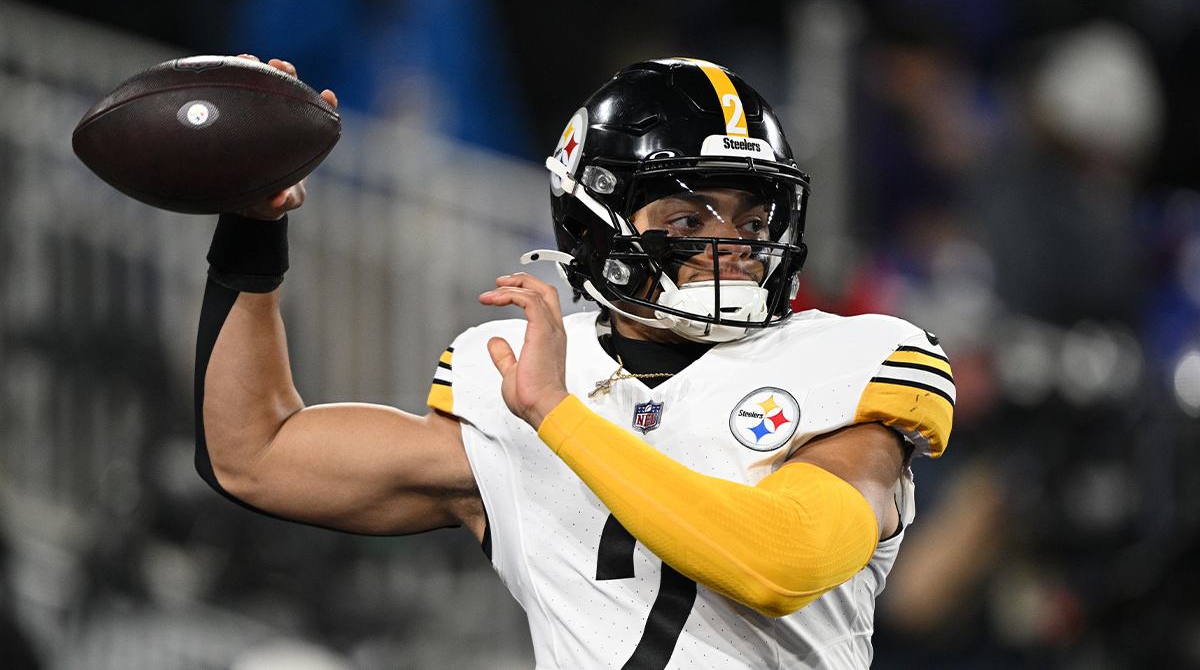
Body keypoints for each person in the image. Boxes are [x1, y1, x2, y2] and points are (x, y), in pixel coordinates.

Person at [195, 56, 953, 669]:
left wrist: (560, 416)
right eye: (688, 217)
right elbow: (255, 453)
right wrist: (250, 230)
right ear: (596, 223)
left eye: (753, 218)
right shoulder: (512, 378)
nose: (733, 245)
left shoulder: (853, 355)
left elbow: (782, 559)